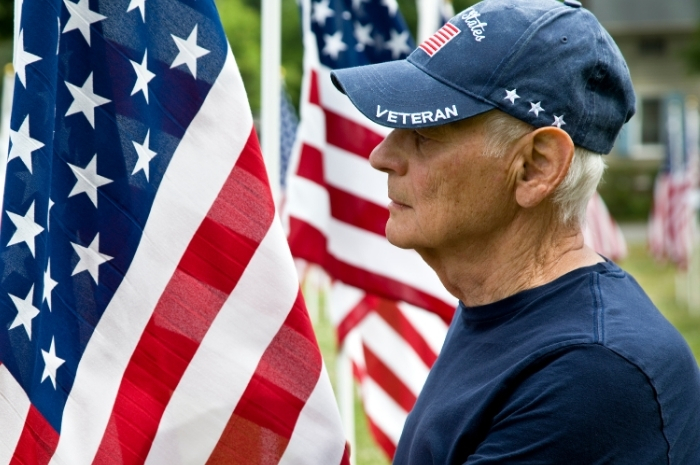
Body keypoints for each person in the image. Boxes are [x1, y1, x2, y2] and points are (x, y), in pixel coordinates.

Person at [329, 0, 700, 463]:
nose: (381, 156)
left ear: (535, 167)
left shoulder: (590, 373)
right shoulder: (500, 305)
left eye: (425, 134)